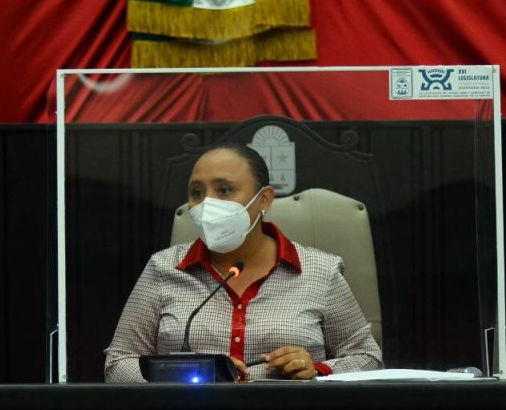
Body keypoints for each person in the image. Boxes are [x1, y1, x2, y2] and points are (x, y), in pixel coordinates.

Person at [104, 143, 382, 382]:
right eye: (197, 193)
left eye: (224, 190)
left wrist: (317, 370)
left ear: (264, 200)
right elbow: (118, 363)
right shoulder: (163, 268)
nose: (207, 204)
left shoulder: (320, 271)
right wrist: (184, 372)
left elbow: (368, 358)